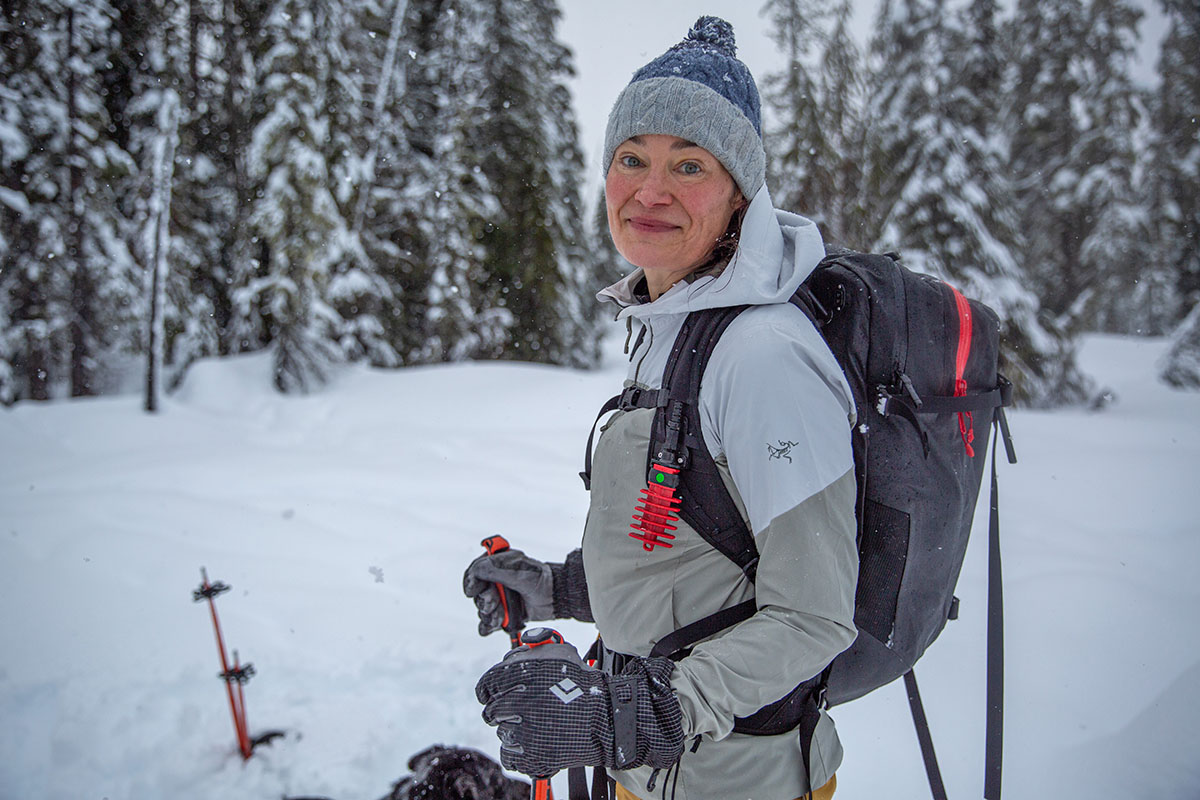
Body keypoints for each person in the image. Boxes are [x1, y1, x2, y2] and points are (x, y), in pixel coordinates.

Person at [464, 16, 857, 800]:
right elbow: (696, 551)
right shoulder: (673, 327)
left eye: (689, 164)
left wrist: (630, 714)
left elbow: (814, 617)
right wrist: (557, 589)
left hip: (742, 783)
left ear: (739, 195)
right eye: (631, 159)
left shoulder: (763, 356)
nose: (650, 190)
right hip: (653, 774)